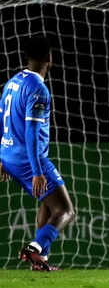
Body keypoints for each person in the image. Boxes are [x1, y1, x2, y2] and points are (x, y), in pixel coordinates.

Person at [0, 35, 76, 271]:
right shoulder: (38, 89)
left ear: (26, 57)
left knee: (48, 203)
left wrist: (1, 156)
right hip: (28, 159)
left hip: (9, 156)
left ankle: (41, 260)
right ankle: (35, 248)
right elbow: (31, 131)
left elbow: (3, 121)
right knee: (66, 210)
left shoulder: (12, 82)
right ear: (49, 58)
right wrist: (37, 171)